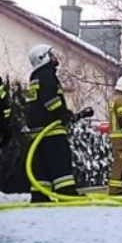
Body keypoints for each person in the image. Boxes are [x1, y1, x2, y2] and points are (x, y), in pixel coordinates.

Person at [23, 44, 80, 202]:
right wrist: (63, 113)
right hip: (51, 128)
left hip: (38, 131)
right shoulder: (46, 75)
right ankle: (66, 192)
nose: (55, 57)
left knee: (41, 164)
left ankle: (39, 194)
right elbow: (51, 100)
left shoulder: (35, 77)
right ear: (44, 58)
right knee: (59, 159)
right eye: (51, 54)